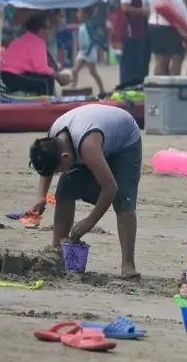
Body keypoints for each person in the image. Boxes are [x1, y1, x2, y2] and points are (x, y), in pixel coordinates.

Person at [28, 104, 143, 279]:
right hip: (94, 134)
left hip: (125, 140)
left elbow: (110, 187)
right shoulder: (52, 140)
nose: (59, 173)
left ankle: (128, 264)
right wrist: (42, 196)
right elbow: (47, 168)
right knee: (64, 190)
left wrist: (89, 221)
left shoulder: (88, 147)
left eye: (59, 170)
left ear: (66, 157)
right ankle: (57, 251)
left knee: (123, 200)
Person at [0, 15, 59, 95]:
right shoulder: (37, 42)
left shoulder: (26, 38)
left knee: (45, 78)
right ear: (40, 30)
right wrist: (58, 76)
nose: (50, 31)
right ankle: (45, 106)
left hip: (6, 75)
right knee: (46, 81)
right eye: (48, 28)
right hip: (13, 75)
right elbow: (41, 68)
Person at [117, 0, 149, 86]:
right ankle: (127, 84)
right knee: (130, 60)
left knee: (136, 59)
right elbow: (125, 7)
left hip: (138, 30)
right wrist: (143, 11)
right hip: (131, 31)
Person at [70, 7, 105, 94]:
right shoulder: (81, 25)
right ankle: (72, 89)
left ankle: (102, 90)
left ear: (85, 15)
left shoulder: (88, 25)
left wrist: (88, 51)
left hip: (89, 52)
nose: (77, 15)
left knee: (93, 72)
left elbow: (93, 39)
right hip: (82, 52)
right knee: (74, 71)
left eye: (79, 13)